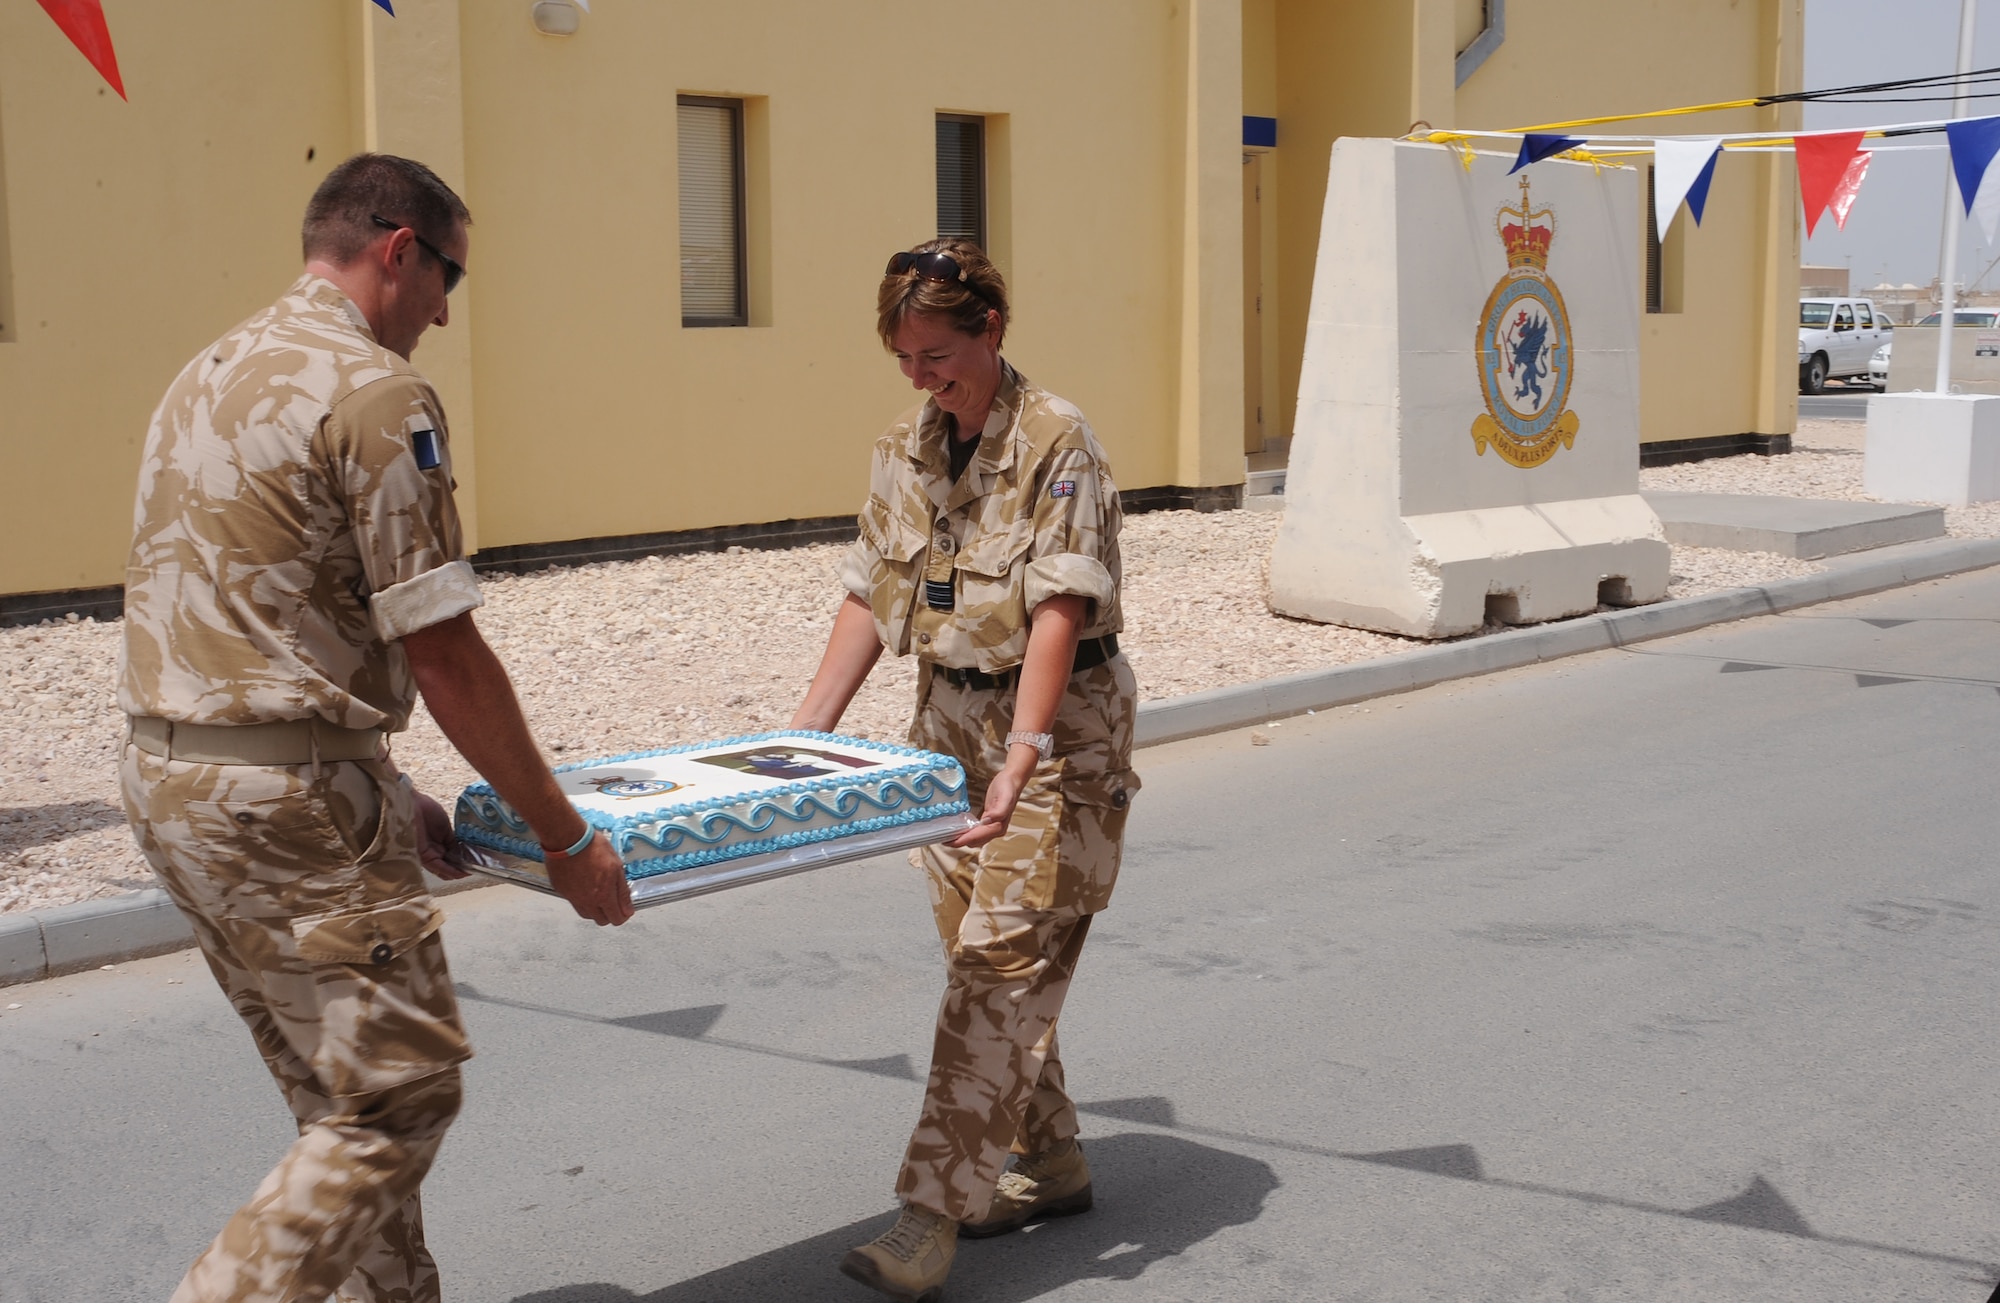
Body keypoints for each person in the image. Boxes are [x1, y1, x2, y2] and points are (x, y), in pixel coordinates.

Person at [118, 153, 634, 1303]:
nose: (447, 309)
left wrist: (377, 776)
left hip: (175, 782)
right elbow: (443, 651)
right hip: (289, 804)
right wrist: (562, 837)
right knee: (398, 1097)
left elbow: (235, 605)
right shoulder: (374, 392)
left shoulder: (209, 371)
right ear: (397, 247)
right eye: (448, 276)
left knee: (337, 1098)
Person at [790, 238, 1139, 1302]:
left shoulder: (1055, 439)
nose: (918, 376)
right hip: (943, 728)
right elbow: (867, 591)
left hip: (1057, 733)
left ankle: (930, 1212)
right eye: (902, 356)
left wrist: (1024, 749)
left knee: (996, 968)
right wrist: (802, 733)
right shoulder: (902, 445)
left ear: (992, 329)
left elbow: (1058, 606)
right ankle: (1055, 1157)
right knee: (980, 961)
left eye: (936, 353)